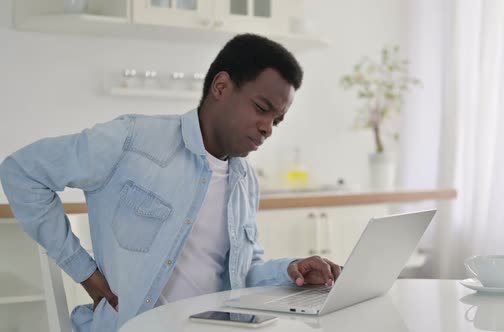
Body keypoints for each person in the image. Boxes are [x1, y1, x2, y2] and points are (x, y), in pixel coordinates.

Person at [0, 33, 341, 332]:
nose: (268, 127)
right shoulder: (132, 140)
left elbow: (243, 274)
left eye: (276, 121)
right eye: (261, 108)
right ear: (221, 87)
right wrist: (83, 270)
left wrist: (291, 270)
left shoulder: (244, 178)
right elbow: (21, 171)